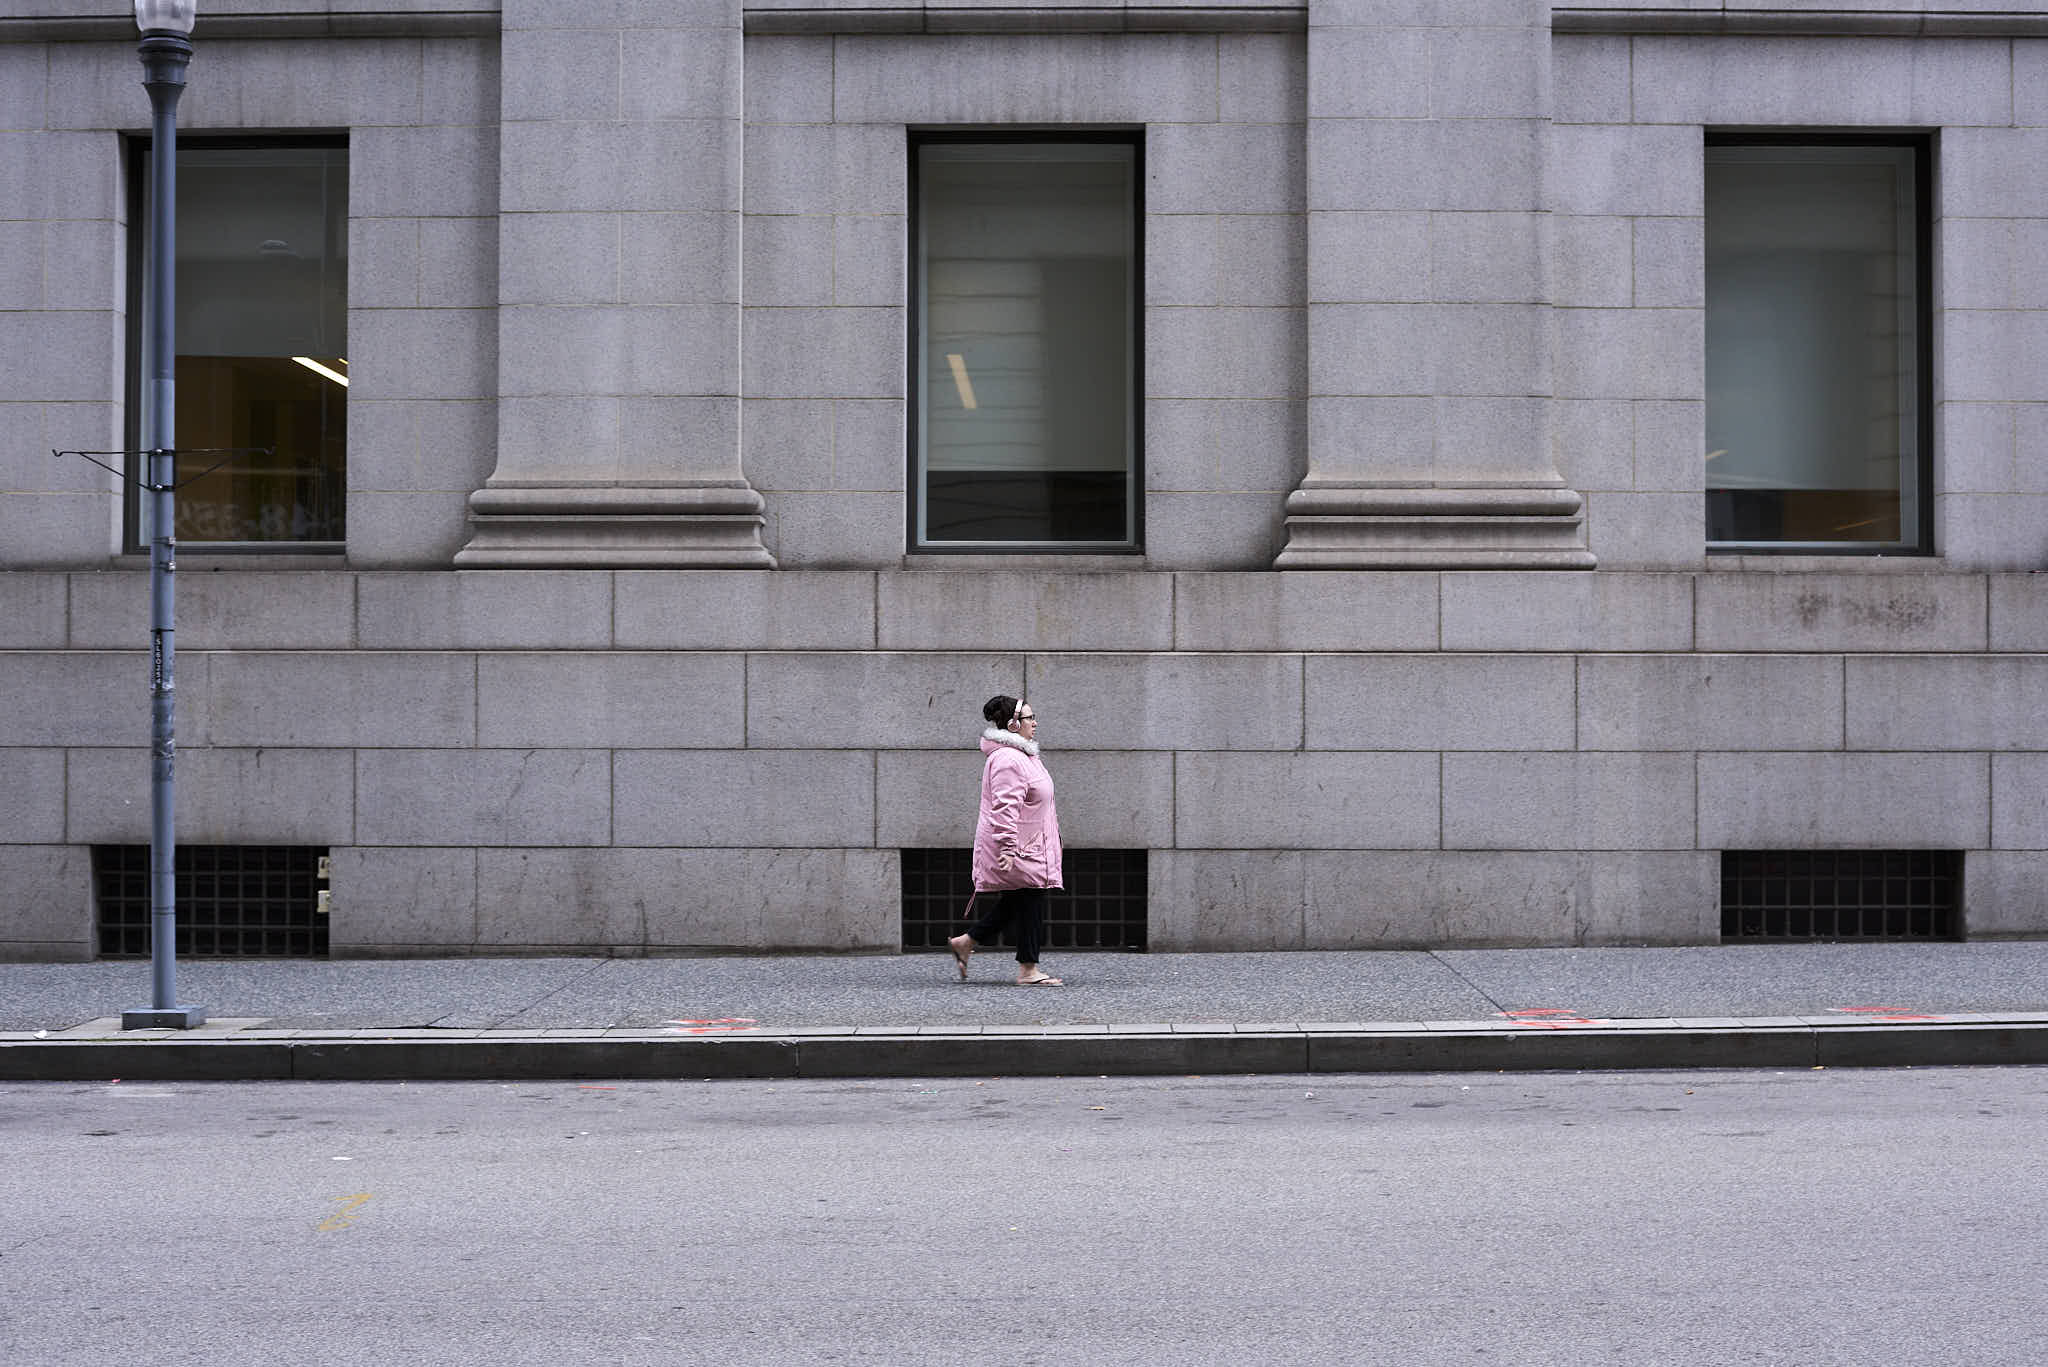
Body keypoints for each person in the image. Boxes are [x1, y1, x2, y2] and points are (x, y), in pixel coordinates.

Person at [949, 694, 1064, 986]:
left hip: (1029, 843)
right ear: (1013, 725)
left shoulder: (1025, 756)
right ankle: (1027, 970)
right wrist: (1009, 847)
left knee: (1020, 899)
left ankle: (968, 941)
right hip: (1019, 846)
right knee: (1031, 897)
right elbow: (1005, 807)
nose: (1035, 722)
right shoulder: (1009, 760)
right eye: (1029, 717)